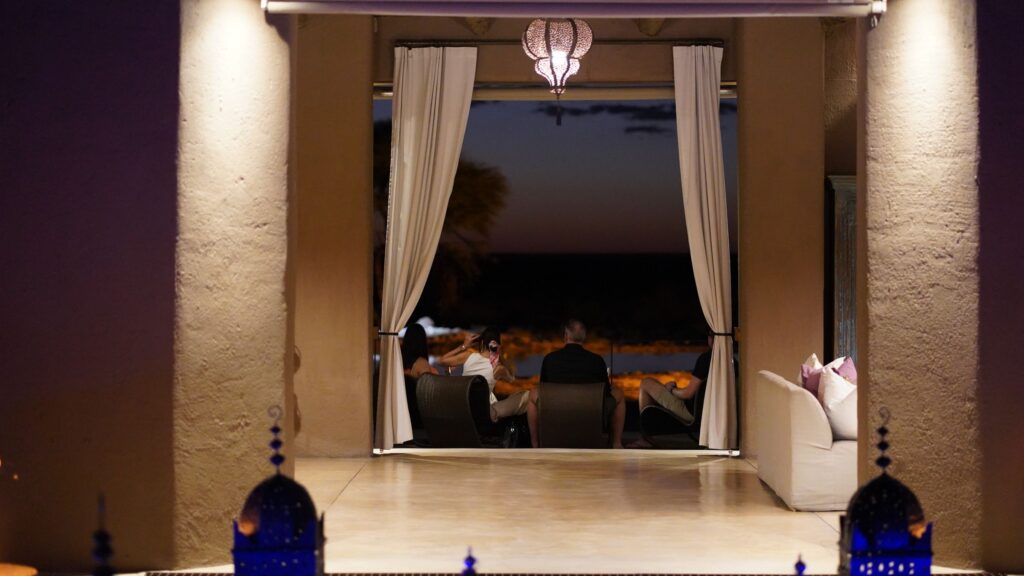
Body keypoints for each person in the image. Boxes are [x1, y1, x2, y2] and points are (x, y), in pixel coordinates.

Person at [528, 319, 626, 449]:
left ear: (565, 335)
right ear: (584, 337)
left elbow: (543, 389)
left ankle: (535, 445)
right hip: (591, 414)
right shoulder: (597, 361)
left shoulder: (550, 359)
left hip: (556, 412)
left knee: (532, 393)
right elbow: (607, 393)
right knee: (619, 394)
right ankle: (616, 444)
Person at [627, 332, 712, 449]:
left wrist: (672, 390)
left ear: (711, 339)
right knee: (653, 382)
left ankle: (646, 437)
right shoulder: (731, 362)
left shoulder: (706, 359)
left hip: (692, 412)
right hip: (710, 412)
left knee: (646, 383)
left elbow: (688, 394)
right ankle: (649, 432)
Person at [438, 327, 530, 422]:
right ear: (497, 346)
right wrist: (500, 355)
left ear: (481, 343)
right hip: (484, 413)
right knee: (526, 395)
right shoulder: (498, 368)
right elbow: (511, 378)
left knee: (490, 395)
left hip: (464, 406)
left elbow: (441, 361)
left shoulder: (468, 356)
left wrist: (464, 346)